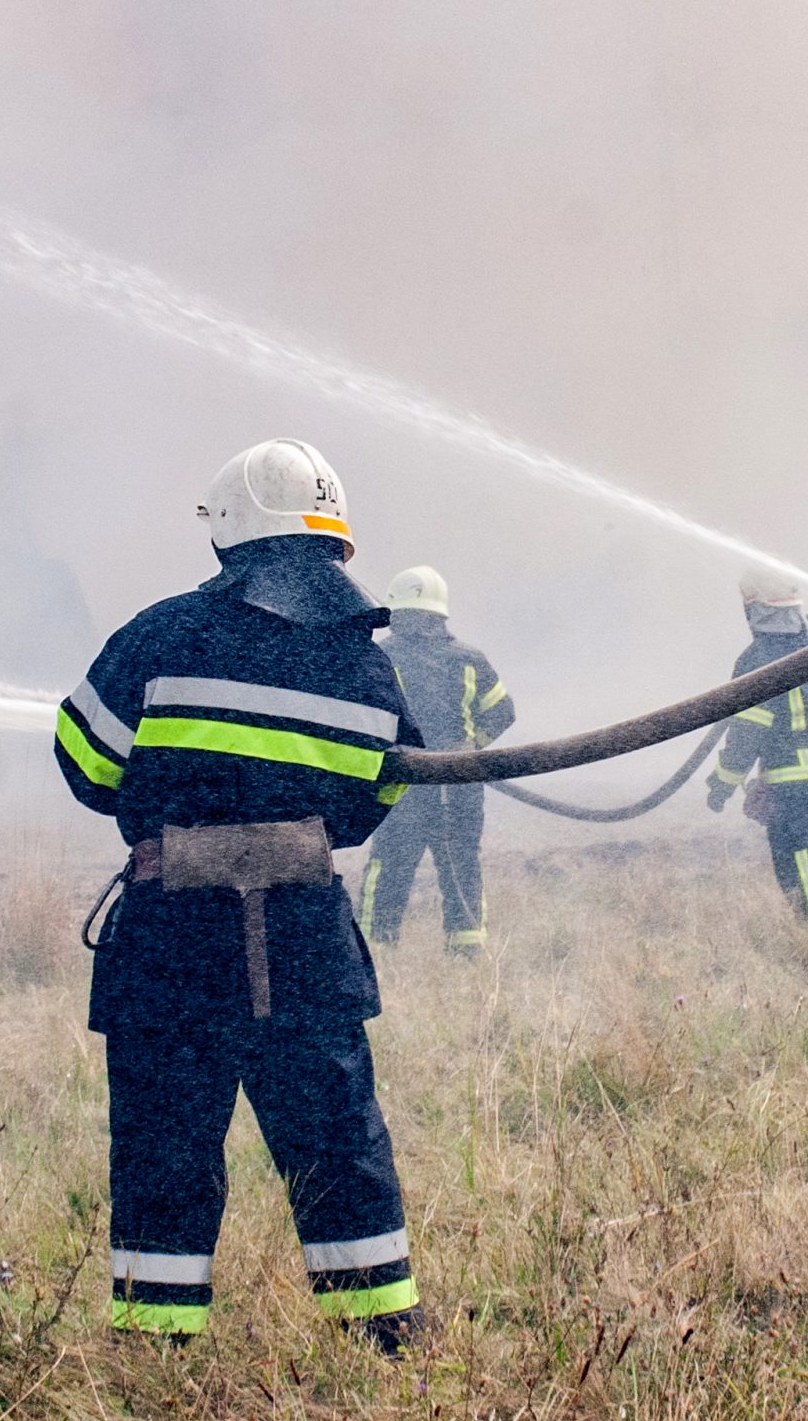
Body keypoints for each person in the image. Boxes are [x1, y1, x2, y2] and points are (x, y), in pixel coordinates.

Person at [53, 438, 425, 1352]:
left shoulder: (161, 635)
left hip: (173, 938)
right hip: (304, 937)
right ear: (332, 543)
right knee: (335, 1136)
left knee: (166, 1142)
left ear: (226, 538)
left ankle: (155, 1343)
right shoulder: (367, 667)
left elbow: (85, 761)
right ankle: (380, 1337)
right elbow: (373, 798)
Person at [360, 566, 517, 951]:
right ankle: (467, 949)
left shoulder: (379, 658)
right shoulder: (469, 659)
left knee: (390, 864)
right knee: (461, 865)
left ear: (395, 611)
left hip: (402, 785)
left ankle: (377, 945)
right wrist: (471, 749)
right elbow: (503, 711)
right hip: (459, 785)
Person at [707, 570, 808, 940]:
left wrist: (722, 784)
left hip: (792, 780)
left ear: (754, 610)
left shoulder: (757, 661)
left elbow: (745, 737)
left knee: (802, 865)